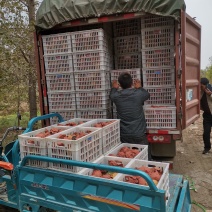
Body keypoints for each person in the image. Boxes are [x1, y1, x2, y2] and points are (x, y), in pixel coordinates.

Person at [110, 72, 151, 159]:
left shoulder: (116, 96)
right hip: (139, 133)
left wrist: (114, 88)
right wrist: (139, 87)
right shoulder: (138, 94)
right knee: (145, 156)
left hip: (124, 133)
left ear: (120, 85)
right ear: (132, 83)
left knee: (127, 156)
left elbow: (111, 95)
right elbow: (147, 95)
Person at [200, 77, 212, 154]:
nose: (201, 86)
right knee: (206, 133)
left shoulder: (210, 90)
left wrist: (210, 94)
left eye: (202, 85)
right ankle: (207, 148)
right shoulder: (200, 92)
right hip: (207, 116)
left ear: (205, 85)